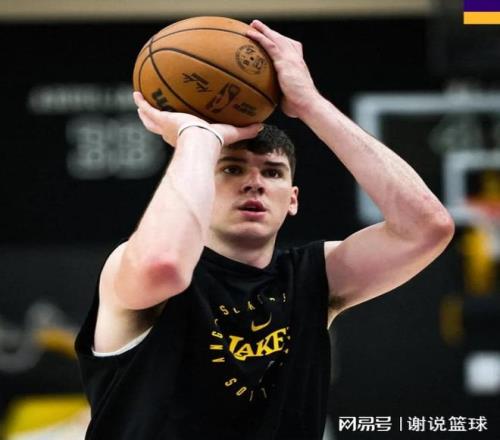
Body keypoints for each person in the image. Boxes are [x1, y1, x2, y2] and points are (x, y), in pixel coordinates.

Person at [75, 19, 454, 440]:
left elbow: (426, 228)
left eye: (272, 173)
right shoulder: (131, 265)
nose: (255, 182)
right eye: (232, 169)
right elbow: (164, 266)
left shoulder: (312, 277)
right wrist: (197, 138)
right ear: (198, 184)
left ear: (292, 199)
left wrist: (311, 104)